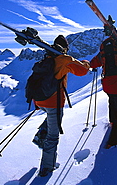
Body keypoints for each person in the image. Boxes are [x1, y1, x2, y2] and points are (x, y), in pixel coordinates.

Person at [33, 35, 90, 177]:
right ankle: (47, 167)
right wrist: (86, 62)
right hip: (54, 103)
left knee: (53, 120)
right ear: (65, 48)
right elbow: (82, 71)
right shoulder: (65, 59)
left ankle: (41, 133)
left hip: (40, 100)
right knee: (53, 136)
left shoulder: (47, 57)